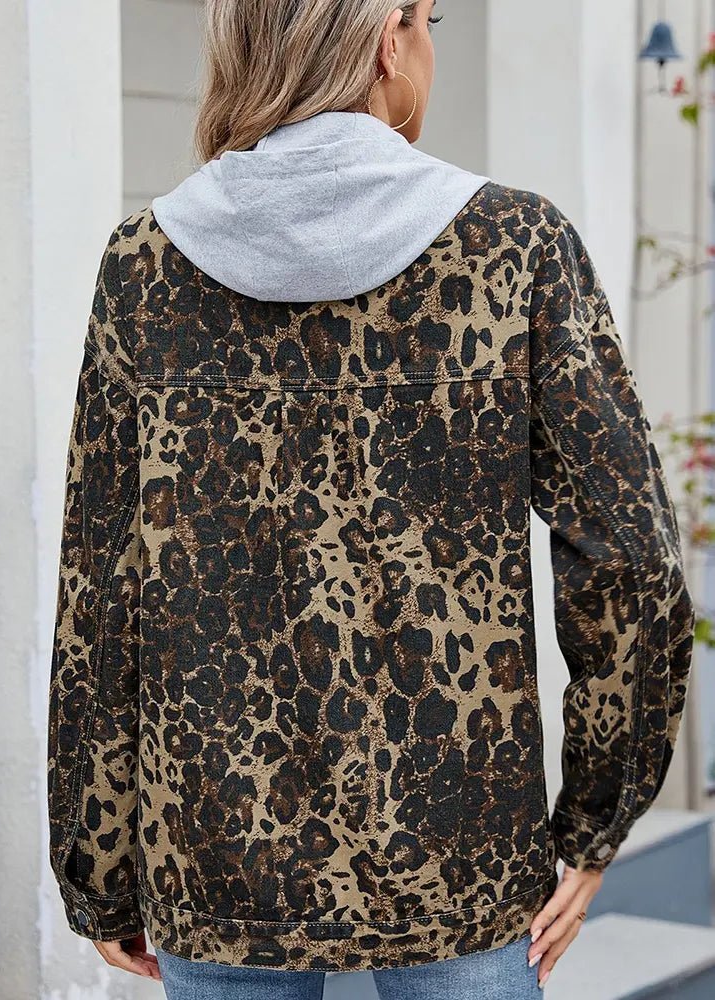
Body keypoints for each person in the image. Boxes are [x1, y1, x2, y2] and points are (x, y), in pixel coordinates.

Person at [45, 1, 697, 998]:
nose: (431, 43)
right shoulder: (514, 248)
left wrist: (99, 862)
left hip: (216, 855)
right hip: (462, 853)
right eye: (430, 17)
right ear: (388, 37)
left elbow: (100, 588)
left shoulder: (144, 266)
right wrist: (596, 821)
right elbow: (630, 556)